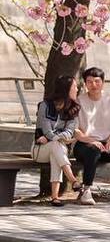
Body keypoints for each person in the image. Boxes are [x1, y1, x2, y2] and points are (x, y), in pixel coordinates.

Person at [72, 67, 110, 203]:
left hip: (105, 145)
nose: (93, 85)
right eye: (89, 82)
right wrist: (90, 140)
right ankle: (86, 191)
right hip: (84, 145)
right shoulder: (78, 101)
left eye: (97, 81)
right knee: (93, 151)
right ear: (85, 84)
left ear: (103, 82)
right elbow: (75, 131)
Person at [33, 74, 81, 203]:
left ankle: (55, 197)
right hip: (40, 149)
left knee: (56, 151)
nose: (77, 89)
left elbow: (70, 131)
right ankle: (73, 180)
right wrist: (58, 138)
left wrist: (57, 138)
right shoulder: (45, 106)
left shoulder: (73, 108)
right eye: (75, 87)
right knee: (56, 146)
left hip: (59, 149)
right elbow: (46, 131)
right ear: (66, 89)